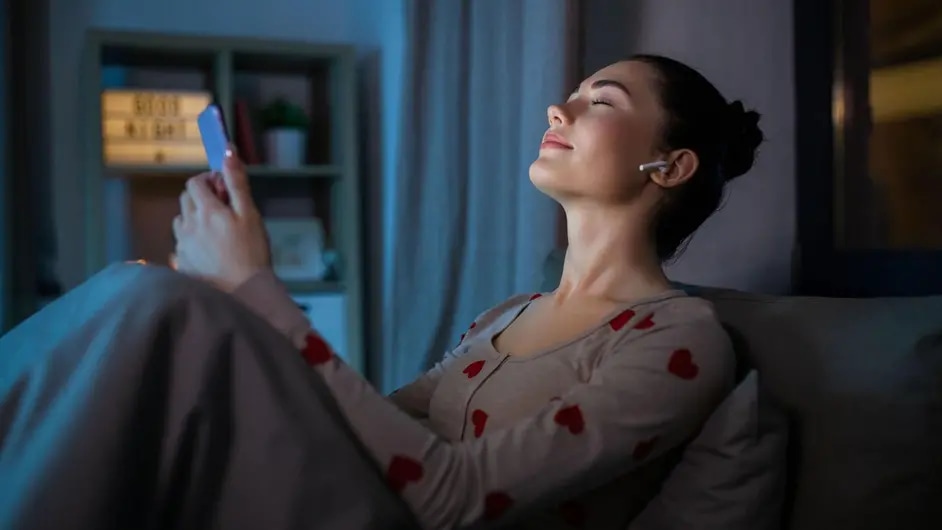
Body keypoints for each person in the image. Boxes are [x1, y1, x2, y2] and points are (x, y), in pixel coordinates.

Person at [3, 54, 764, 530]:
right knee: (148, 298)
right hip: (353, 499)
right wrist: (239, 305)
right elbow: (358, 433)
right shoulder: (506, 317)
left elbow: (452, 499)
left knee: (160, 309)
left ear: (671, 166)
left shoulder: (678, 340)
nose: (558, 108)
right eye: (570, 91)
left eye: (602, 100)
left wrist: (255, 287)